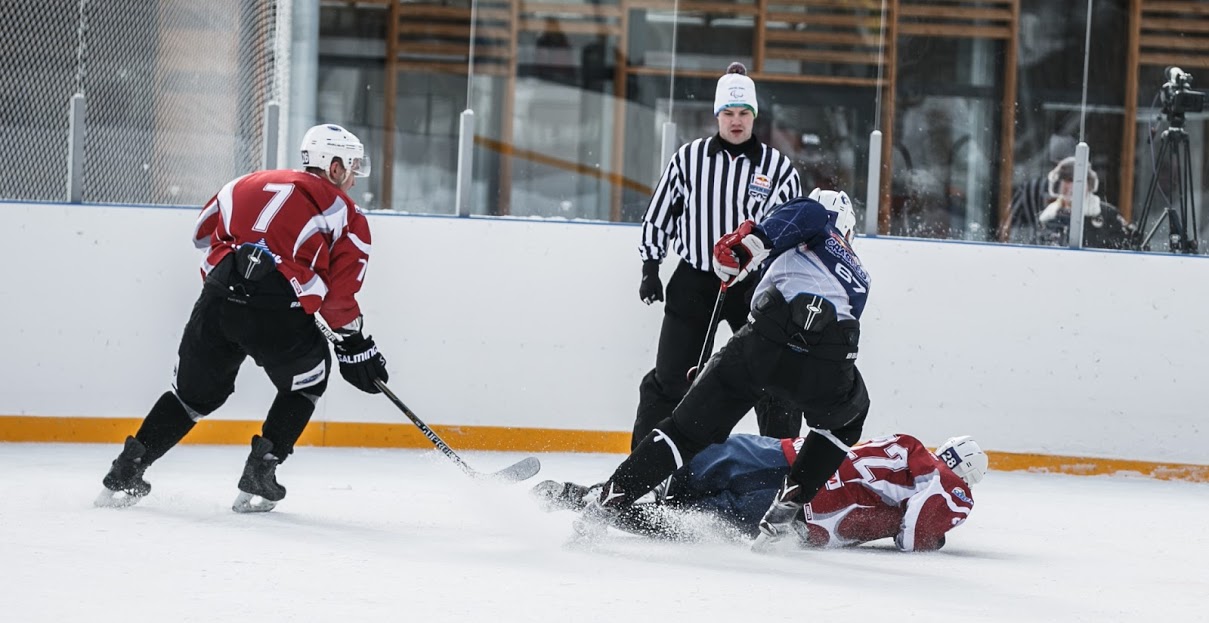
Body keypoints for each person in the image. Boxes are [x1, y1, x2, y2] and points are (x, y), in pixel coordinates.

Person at [96, 124, 390, 512]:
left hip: (219, 299)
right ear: (333, 167)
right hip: (279, 311)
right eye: (351, 168)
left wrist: (243, 264)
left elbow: (202, 235)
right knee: (308, 378)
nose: (352, 179)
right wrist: (356, 345)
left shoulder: (243, 182)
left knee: (190, 396)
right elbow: (338, 299)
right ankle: (260, 473)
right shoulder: (346, 213)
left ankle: (127, 470)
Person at [578, 188, 871, 545]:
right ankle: (789, 502)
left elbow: (798, 220)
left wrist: (748, 245)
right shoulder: (860, 273)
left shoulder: (814, 216)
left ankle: (610, 499)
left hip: (763, 346)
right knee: (845, 422)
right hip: (828, 362)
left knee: (684, 432)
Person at [635, 61, 803, 450]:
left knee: (775, 380)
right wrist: (650, 266)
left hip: (755, 288)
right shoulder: (688, 159)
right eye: (728, 113)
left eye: (744, 113)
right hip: (694, 281)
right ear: (717, 115)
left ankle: (781, 471)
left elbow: (792, 229)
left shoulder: (777, 168)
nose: (736, 121)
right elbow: (661, 212)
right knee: (671, 379)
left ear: (755, 116)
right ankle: (642, 472)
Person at [535, 432, 985, 551]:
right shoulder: (949, 487)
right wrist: (935, 538)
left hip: (779, 454)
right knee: (689, 523)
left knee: (681, 473)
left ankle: (578, 496)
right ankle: (593, 505)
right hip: (795, 507)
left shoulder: (903, 446)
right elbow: (917, 533)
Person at [1034, 156, 1133, 249]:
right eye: (1068, 180)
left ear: (1089, 183)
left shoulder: (1108, 215)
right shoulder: (1047, 218)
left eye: (1079, 180)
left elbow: (1130, 247)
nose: (1073, 186)